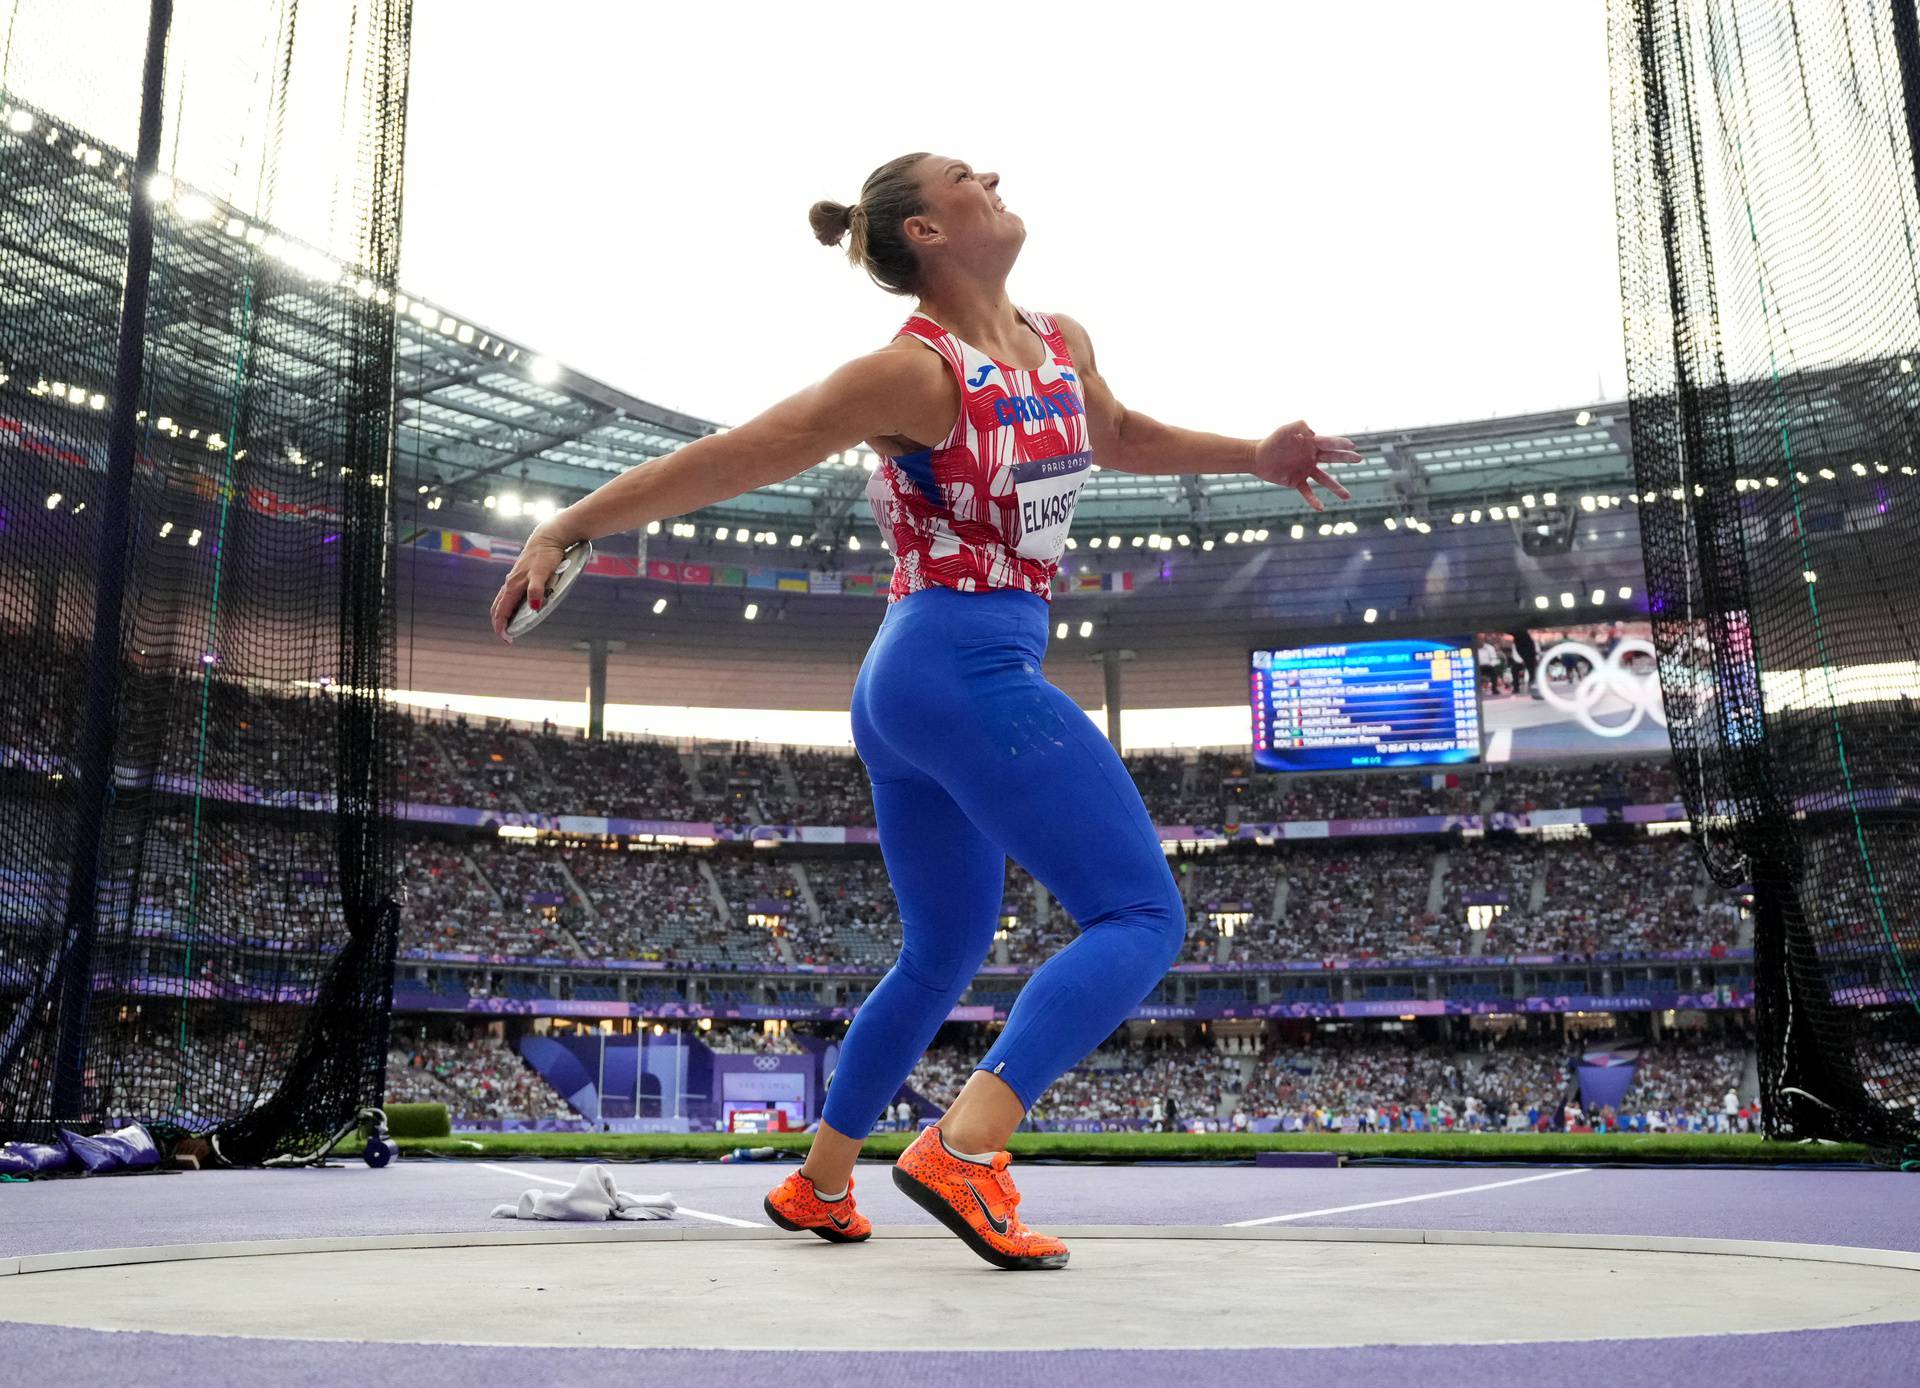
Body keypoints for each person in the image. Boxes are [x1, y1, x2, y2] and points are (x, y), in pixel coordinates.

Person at [489, 152, 1358, 1271]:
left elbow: (1122, 433)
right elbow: (743, 452)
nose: (992, 173)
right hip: (961, 662)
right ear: (926, 232)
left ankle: (818, 1183)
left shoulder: (1062, 341)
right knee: (1141, 913)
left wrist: (1256, 454)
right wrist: (572, 523)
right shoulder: (914, 372)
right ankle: (968, 1146)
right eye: (963, 174)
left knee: (941, 948)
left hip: (912, 680)